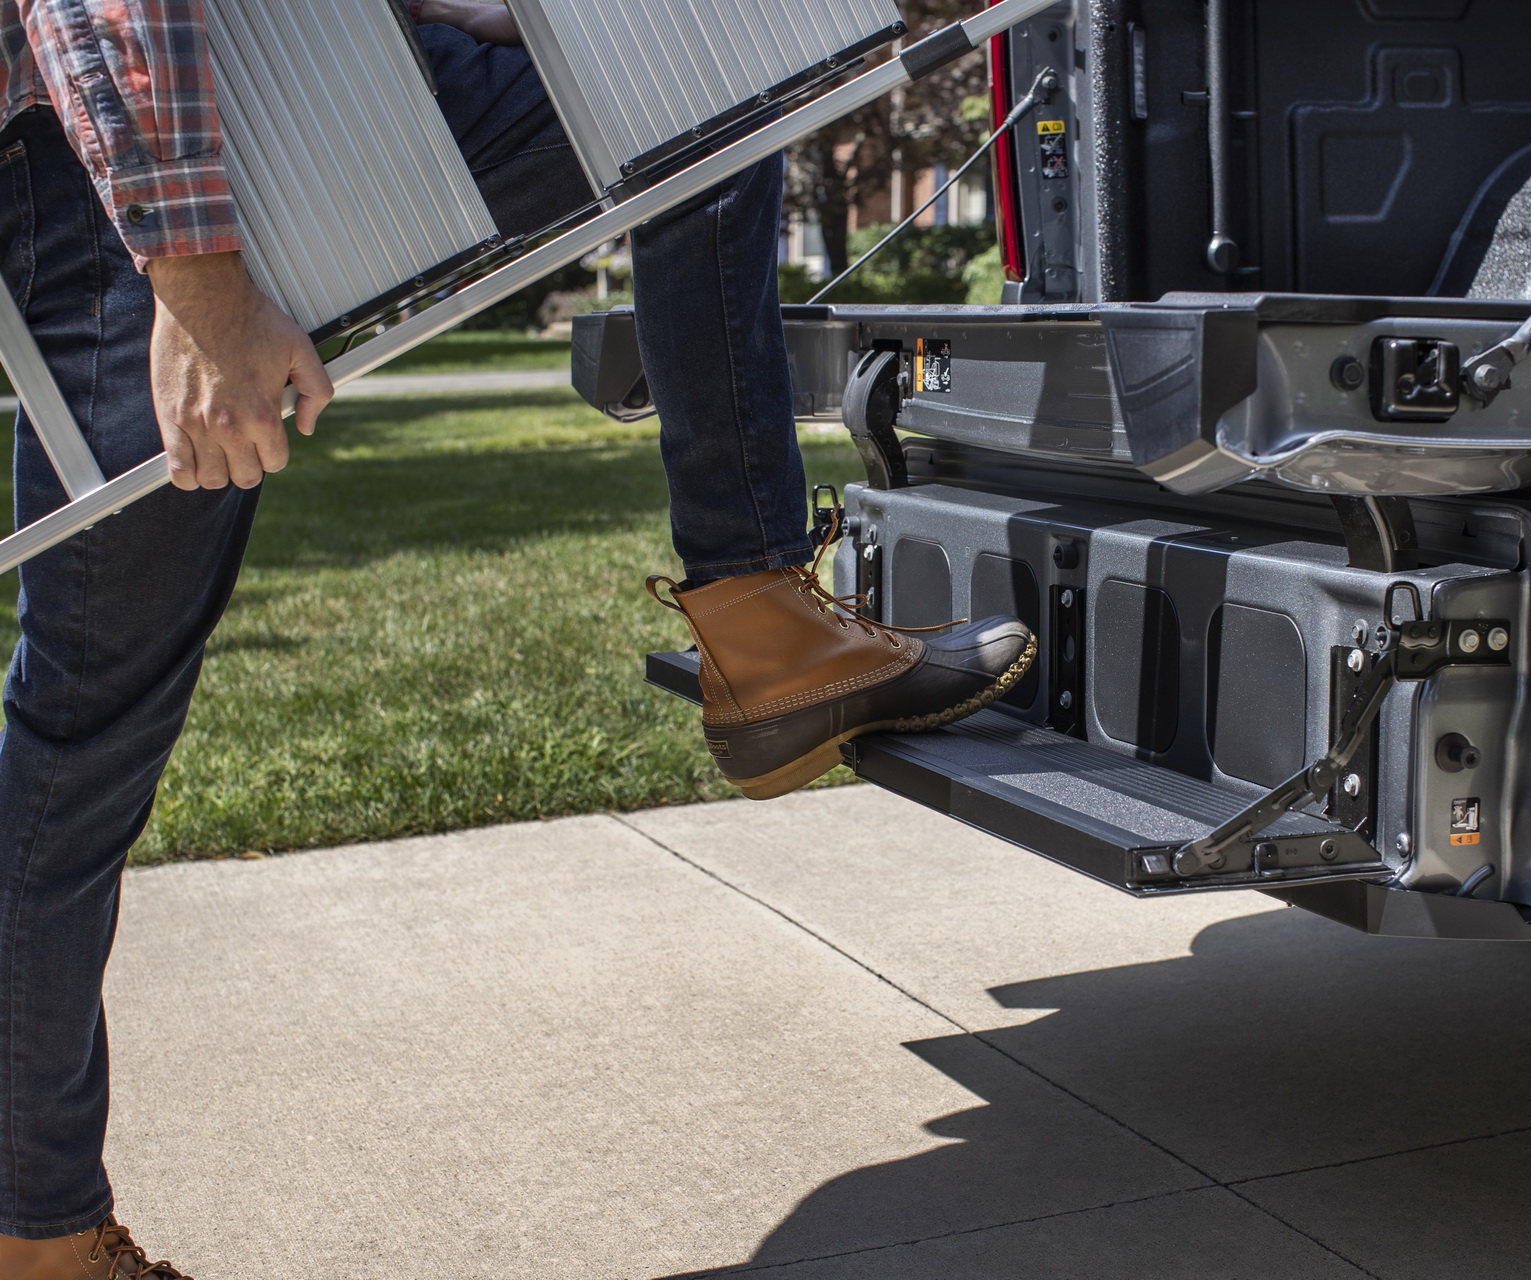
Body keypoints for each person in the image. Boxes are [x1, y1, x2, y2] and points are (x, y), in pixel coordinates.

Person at [0, 1, 1031, 1272]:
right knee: (73, 750)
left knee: (706, 87)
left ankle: (37, 1241)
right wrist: (196, 285)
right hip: (132, 177)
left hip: (188, 130)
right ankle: (38, 1243)